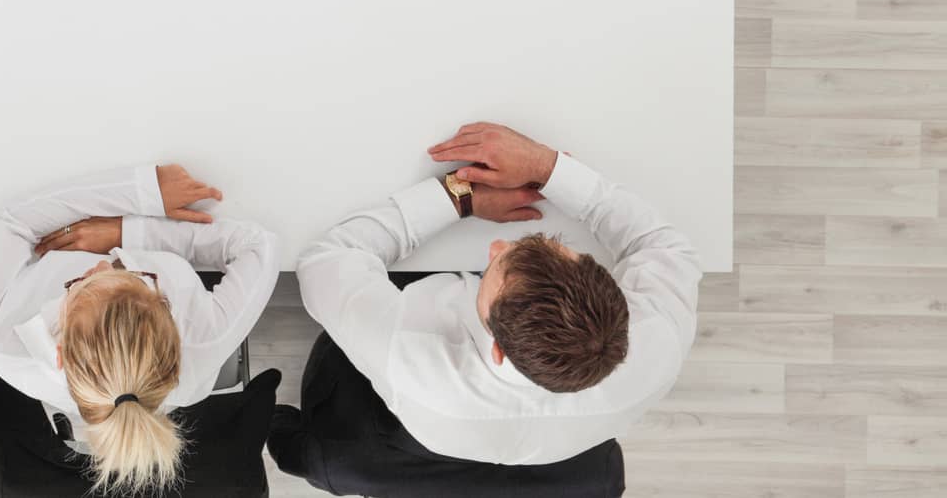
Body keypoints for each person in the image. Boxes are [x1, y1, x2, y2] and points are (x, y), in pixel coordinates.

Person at [290, 122, 700, 468]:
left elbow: (327, 260)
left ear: (499, 350)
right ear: (612, 291)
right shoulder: (656, 341)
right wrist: (548, 167)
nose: (497, 247)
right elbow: (661, 247)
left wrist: (456, 196)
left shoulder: (410, 354)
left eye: (495, 268)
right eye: (551, 242)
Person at [0, 164, 280, 494]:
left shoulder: (3, 344)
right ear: (167, 313)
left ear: (61, 351)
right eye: (139, 277)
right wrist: (128, 234)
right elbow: (258, 246)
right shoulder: (202, 338)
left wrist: (144, 193)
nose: (103, 262)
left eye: (78, 282)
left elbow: (11, 223)